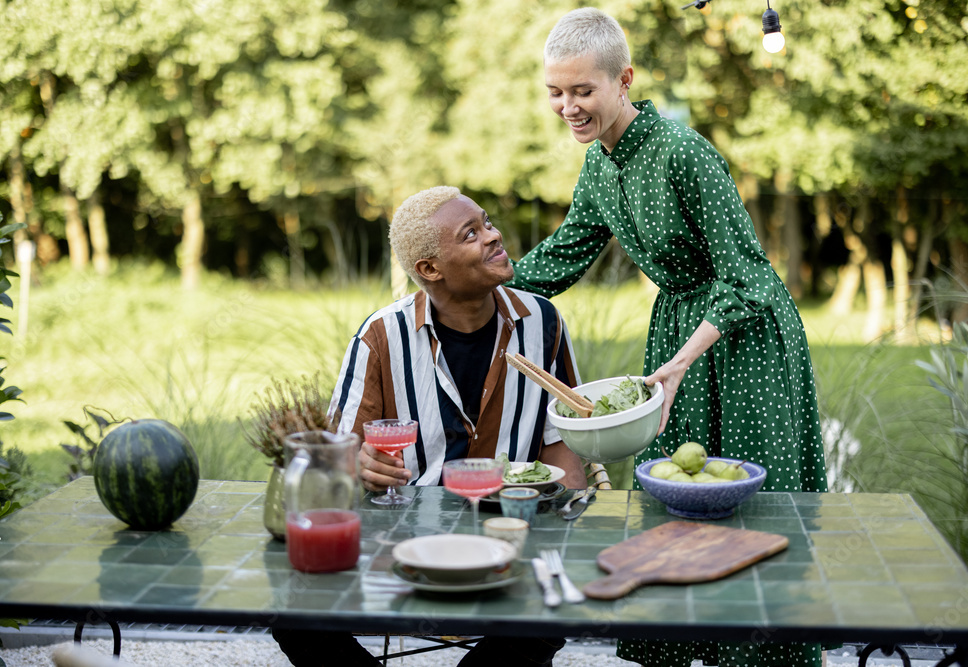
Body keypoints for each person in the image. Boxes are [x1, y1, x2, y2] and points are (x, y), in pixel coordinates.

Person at [506, 8, 831, 667]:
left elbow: (746, 278)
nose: (568, 107)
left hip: (748, 340)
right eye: (555, 93)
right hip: (680, 332)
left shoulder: (685, 154)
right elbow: (561, 257)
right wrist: (479, 285)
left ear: (622, 79)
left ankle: (765, 657)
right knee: (677, 499)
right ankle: (688, 643)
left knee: (747, 504)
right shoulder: (600, 167)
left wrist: (682, 359)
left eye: (582, 91)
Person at [272, 185, 585, 667]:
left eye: (487, 221)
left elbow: (563, 441)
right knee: (290, 612)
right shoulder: (381, 335)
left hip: (509, 536)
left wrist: (566, 532)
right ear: (430, 270)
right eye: (472, 233)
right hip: (406, 543)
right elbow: (334, 455)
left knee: (554, 609)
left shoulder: (541, 321)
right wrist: (357, 463)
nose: (494, 236)